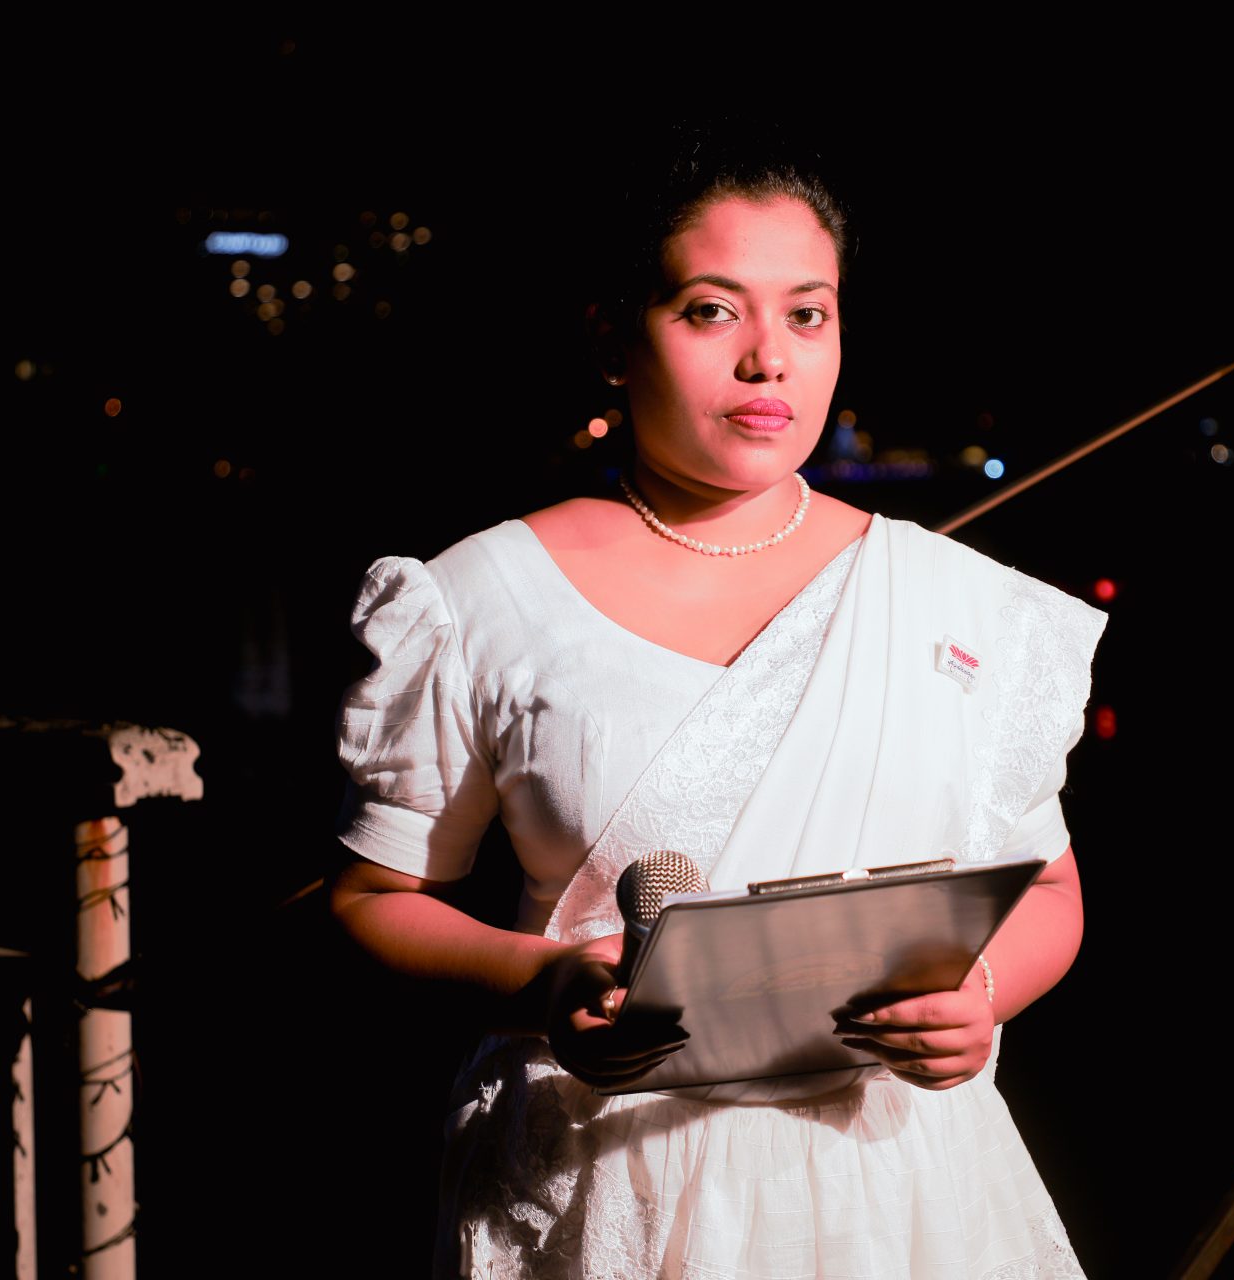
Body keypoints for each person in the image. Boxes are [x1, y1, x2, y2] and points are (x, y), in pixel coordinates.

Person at [329, 128, 1106, 1278]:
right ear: (612, 333)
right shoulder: (481, 597)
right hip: (608, 1186)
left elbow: (1047, 888)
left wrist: (980, 992)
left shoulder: (951, 603)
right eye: (709, 310)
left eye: (807, 313)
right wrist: (539, 980)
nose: (767, 361)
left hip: (900, 1186)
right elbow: (373, 897)